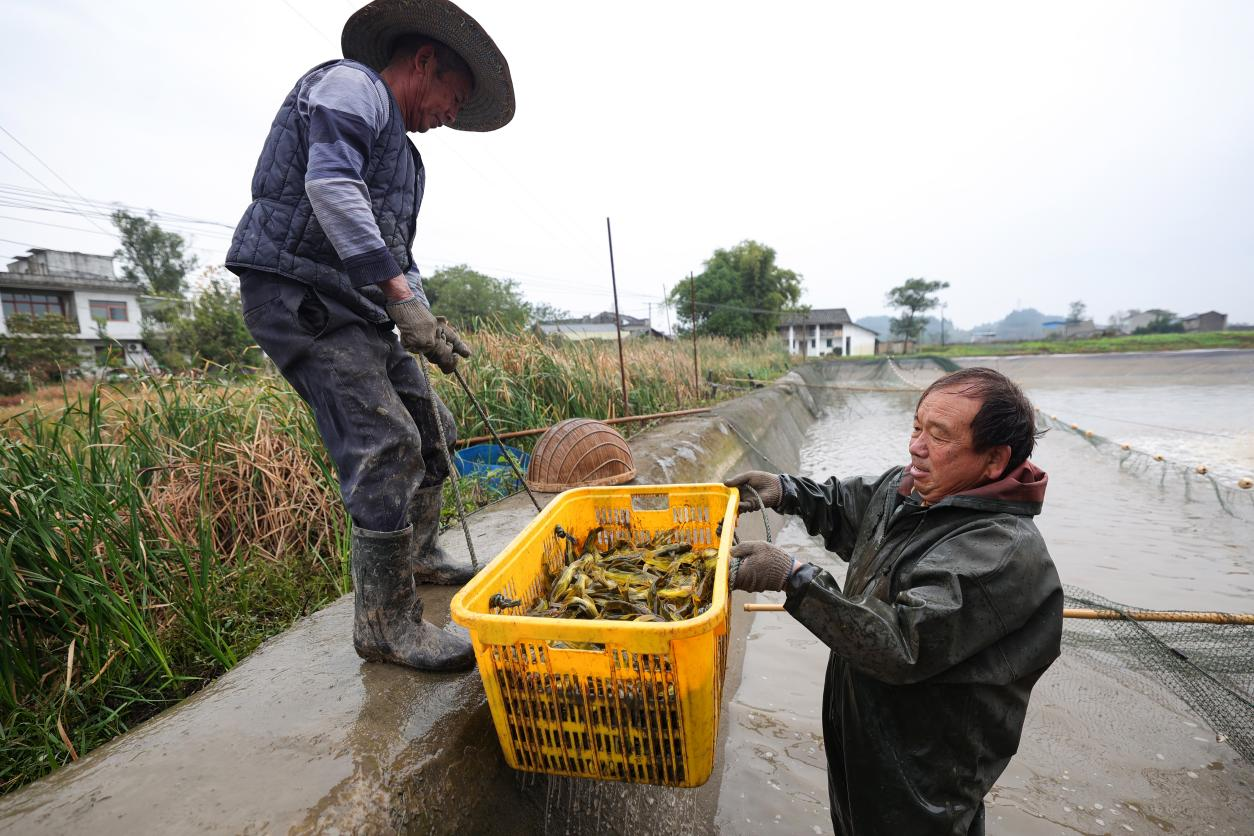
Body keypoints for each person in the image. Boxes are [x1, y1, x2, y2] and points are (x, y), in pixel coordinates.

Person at [225, 0, 514, 672]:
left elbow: (398, 256)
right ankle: (385, 626)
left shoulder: (405, 159)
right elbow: (331, 187)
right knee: (386, 445)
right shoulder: (350, 87)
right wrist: (399, 300)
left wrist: (426, 322)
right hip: (299, 295)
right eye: (454, 97)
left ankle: (419, 555)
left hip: (357, 306)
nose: (451, 115)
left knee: (434, 428)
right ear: (424, 61)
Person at [725, 367, 1063, 836]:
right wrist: (789, 492)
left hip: (920, 783)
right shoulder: (914, 489)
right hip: (864, 748)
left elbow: (900, 643)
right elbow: (850, 505)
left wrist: (793, 577)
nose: (916, 447)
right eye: (916, 426)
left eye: (938, 436)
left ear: (993, 459)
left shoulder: (1000, 552)